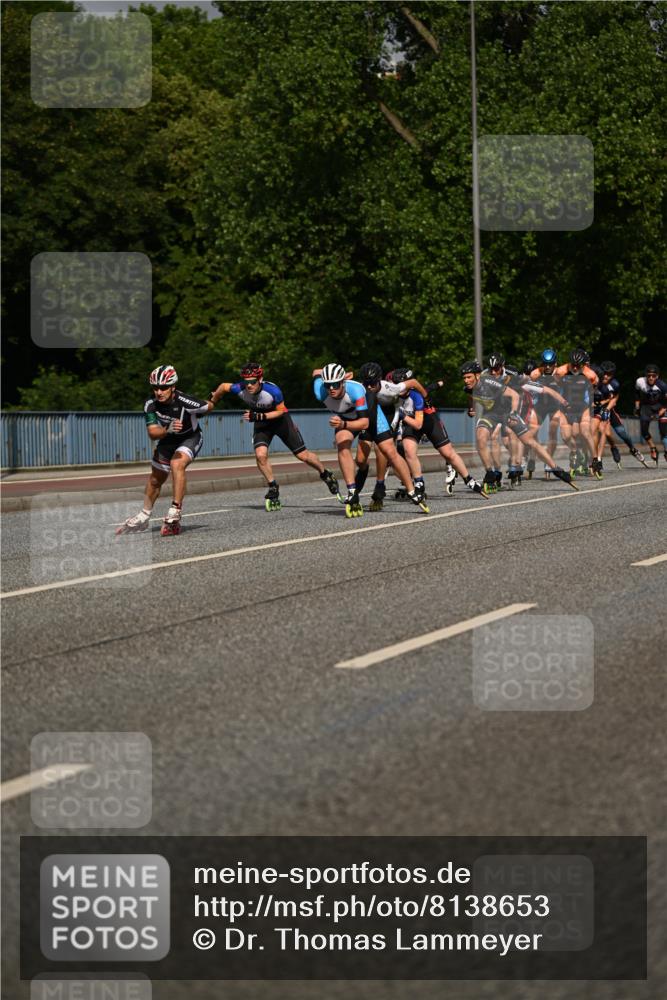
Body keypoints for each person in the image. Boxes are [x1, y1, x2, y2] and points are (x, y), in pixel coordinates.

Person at [209, 362, 340, 511]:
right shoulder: (239, 388)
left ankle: (325, 473)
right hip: (262, 423)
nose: (249, 385)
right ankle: (273, 486)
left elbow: (280, 411)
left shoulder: (273, 391)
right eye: (246, 382)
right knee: (260, 455)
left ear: (260, 379)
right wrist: (213, 401)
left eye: (252, 382)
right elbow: (223, 386)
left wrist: (258, 416)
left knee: (303, 455)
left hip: (280, 422)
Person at [313, 363, 428, 516]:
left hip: (369, 415)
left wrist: (343, 424)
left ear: (343, 383)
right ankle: (352, 490)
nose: (331, 389)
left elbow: (364, 423)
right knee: (344, 446)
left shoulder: (357, 390)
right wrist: (338, 373)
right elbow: (315, 372)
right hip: (345, 416)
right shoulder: (320, 391)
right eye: (328, 385)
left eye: (335, 384)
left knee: (389, 451)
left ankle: (412, 490)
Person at [116, 364, 214, 536]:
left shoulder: (185, 401)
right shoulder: (150, 404)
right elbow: (153, 433)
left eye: (163, 388)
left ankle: (175, 510)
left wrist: (205, 406)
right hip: (167, 438)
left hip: (189, 437)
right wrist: (167, 429)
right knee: (155, 479)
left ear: (173, 387)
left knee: (177, 463)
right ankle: (144, 515)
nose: (159, 392)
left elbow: (209, 406)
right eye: (155, 388)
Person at [473, 354, 577, 492]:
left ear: (502, 367)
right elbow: (472, 390)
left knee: (524, 439)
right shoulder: (485, 375)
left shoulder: (514, 375)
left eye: (496, 369)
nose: (493, 372)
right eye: (491, 369)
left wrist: (564, 402)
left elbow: (545, 389)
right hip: (492, 412)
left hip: (512, 410)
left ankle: (554, 468)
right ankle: (495, 472)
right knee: (495, 439)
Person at [386, 368, 487, 499]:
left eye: (401, 385)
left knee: (447, 453)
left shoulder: (416, 396)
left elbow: (418, 424)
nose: (399, 388)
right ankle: (419, 483)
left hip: (428, 421)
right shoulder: (393, 396)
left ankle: (469, 479)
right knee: (408, 450)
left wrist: (401, 415)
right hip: (410, 422)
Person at [554, 349, 598, 476]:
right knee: (566, 436)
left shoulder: (590, 375)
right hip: (566, 404)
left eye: (578, 365)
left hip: (582, 404)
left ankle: (594, 459)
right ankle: (576, 452)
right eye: (572, 364)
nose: (574, 367)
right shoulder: (561, 372)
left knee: (584, 432)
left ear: (584, 365)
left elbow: (593, 388)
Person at [634, 363, 667, 466]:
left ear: (657, 376)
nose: (651, 378)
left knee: (664, 432)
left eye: (653, 376)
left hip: (661, 406)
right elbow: (637, 394)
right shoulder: (640, 382)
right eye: (648, 375)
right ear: (645, 375)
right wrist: (637, 407)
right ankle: (653, 448)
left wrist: (659, 413)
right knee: (644, 431)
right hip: (647, 406)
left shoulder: (662, 386)